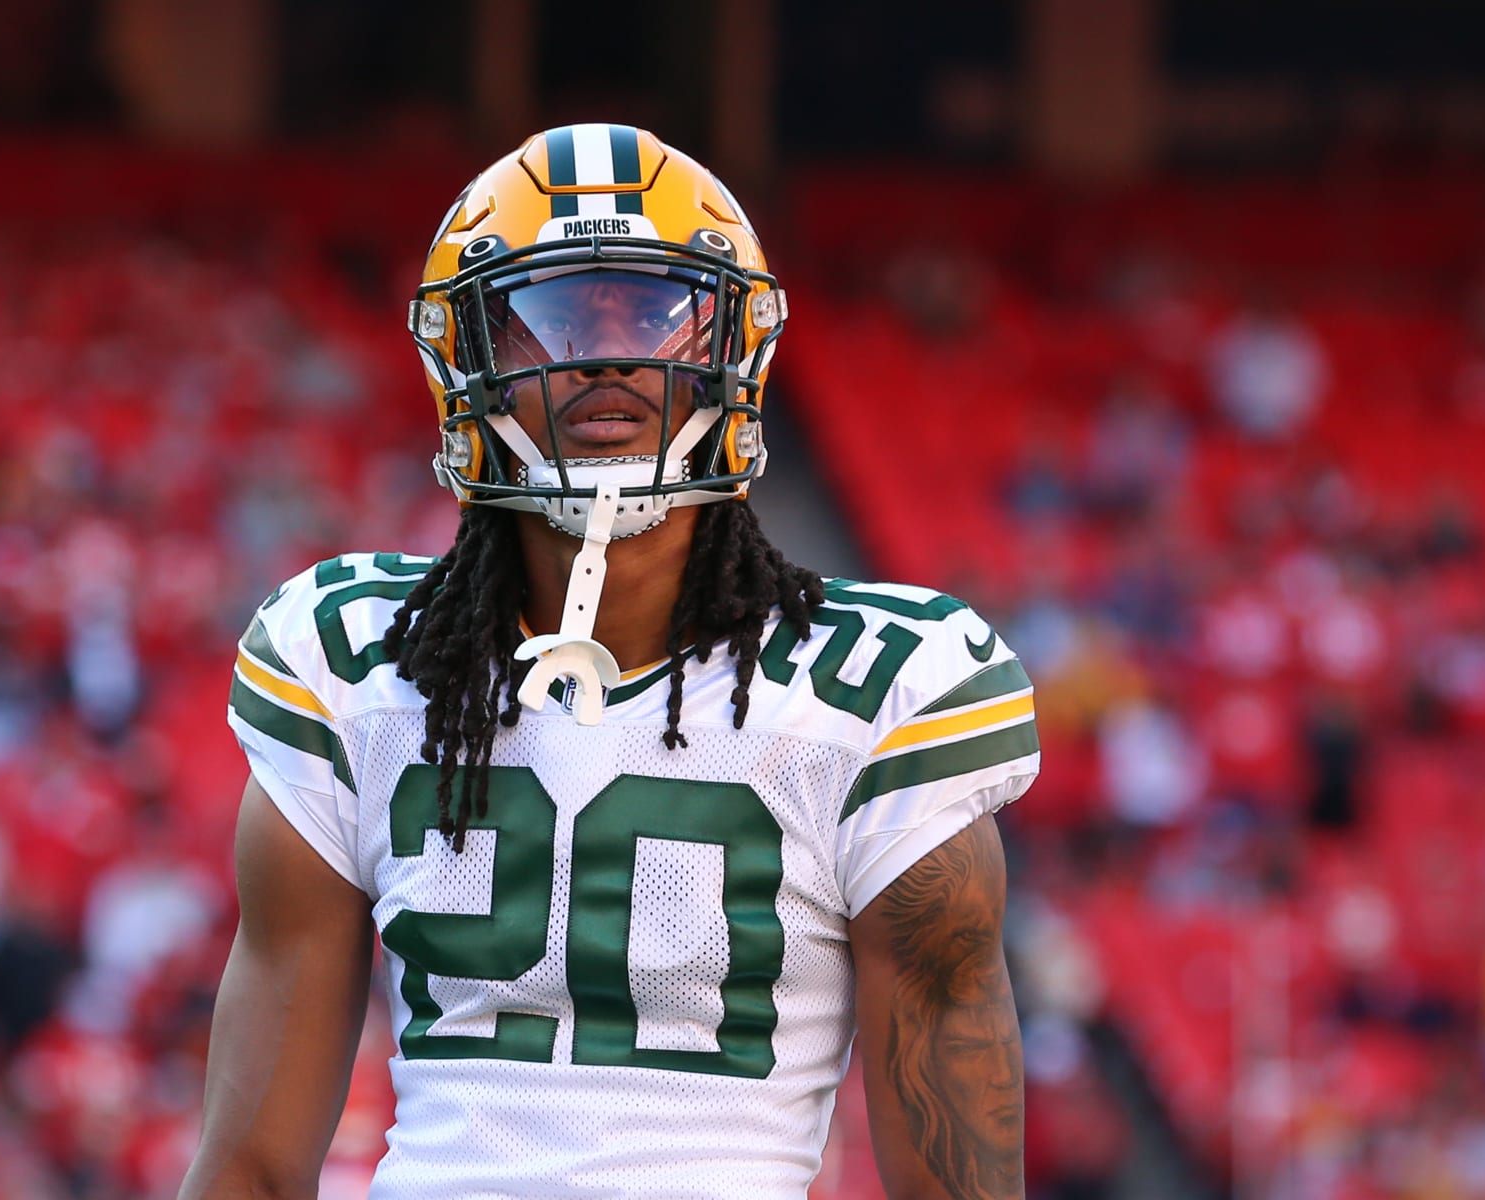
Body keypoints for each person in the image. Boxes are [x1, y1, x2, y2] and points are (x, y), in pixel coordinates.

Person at [178, 123, 1041, 1200]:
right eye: (552, 316)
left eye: (653, 312)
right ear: (466, 360)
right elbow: (250, 1167)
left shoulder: (881, 694)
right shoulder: (358, 669)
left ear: (735, 349)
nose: (606, 356)